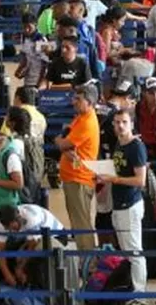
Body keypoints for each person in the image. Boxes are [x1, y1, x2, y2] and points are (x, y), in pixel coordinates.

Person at [98, 108, 147, 291]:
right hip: (118, 204)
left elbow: (140, 180)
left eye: (124, 122)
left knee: (134, 251)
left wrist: (114, 179)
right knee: (127, 251)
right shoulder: (119, 145)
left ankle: (139, 291)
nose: (120, 126)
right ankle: (131, 287)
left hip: (130, 204)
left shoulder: (136, 146)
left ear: (131, 124)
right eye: (117, 122)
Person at [55, 83, 101, 252]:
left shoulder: (87, 122)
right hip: (72, 179)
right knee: (77, 223)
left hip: (79, 180)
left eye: (78, 99)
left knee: (82, 225)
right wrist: (61, 142)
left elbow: (63, 142)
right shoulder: (80, 118)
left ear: (89, 102)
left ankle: (89, 263)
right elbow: (62, 139)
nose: (73, 102)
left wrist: (60, 143)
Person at [0, 204, 65, 287]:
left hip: (58, 236)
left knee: (34, 261)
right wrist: (8, 276)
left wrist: (20, 268)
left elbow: (32, 246)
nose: (11, 231)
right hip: (35, 237)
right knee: (16, 256)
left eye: (13, 228)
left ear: (18, 220)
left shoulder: (30, 219)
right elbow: (0, 252)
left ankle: (37, 288)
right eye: (8, 229)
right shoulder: (1, 226)